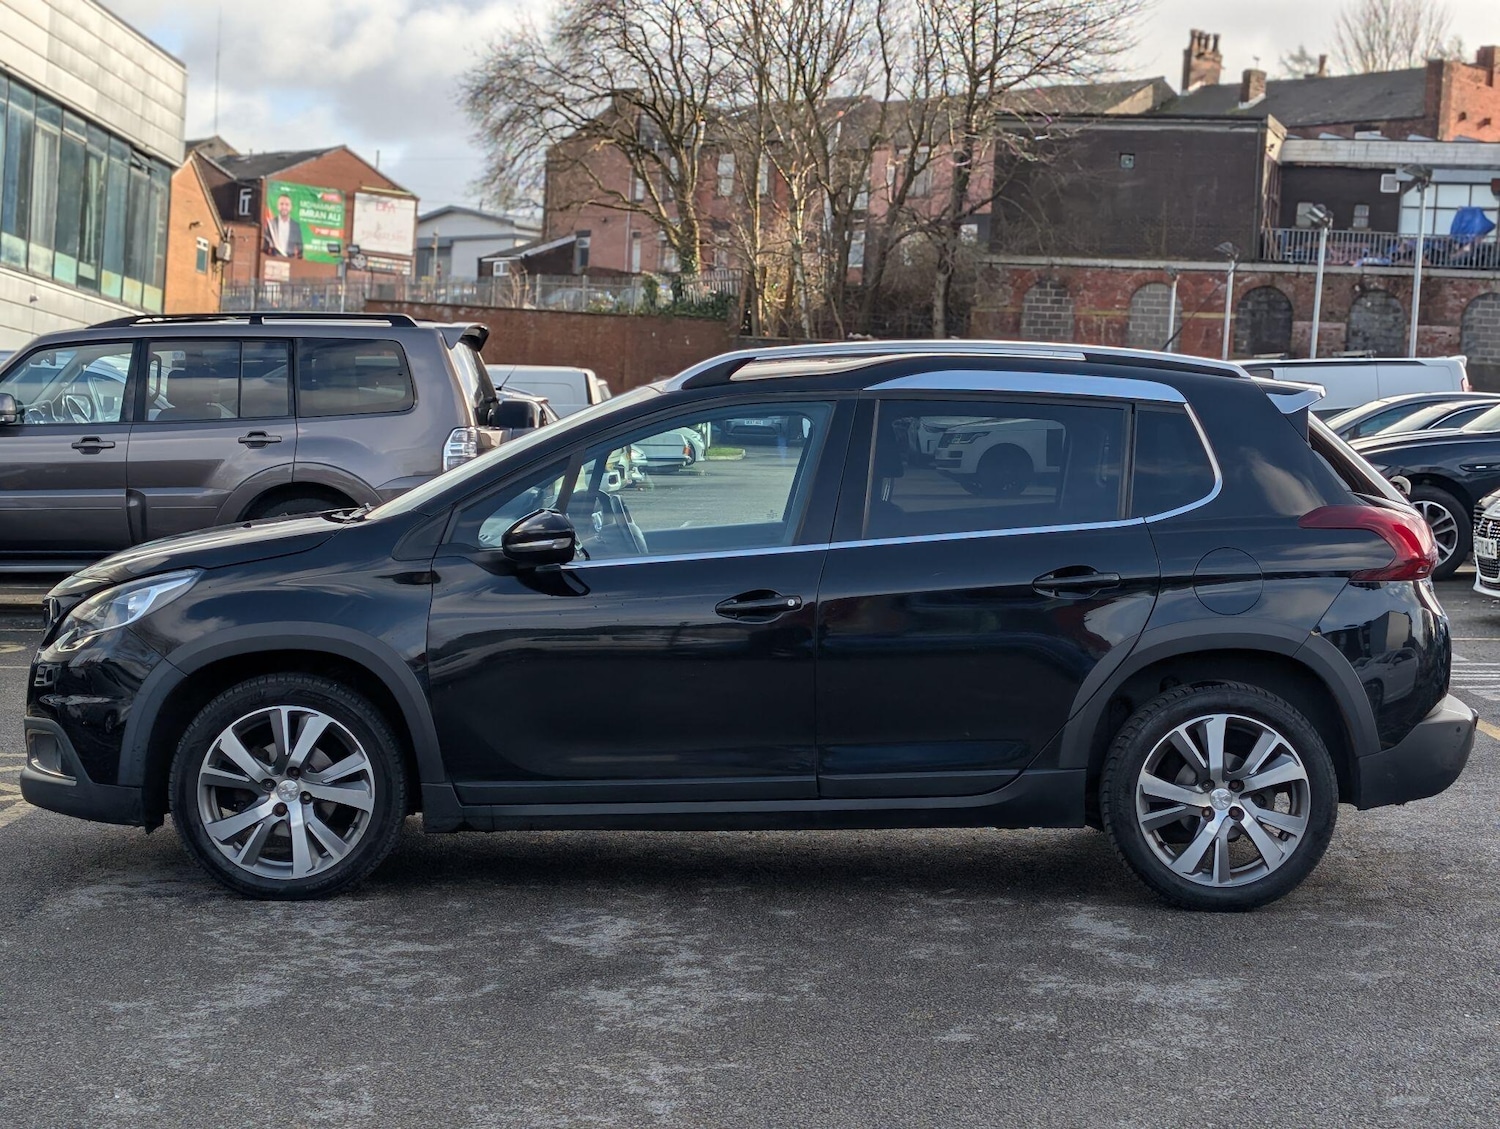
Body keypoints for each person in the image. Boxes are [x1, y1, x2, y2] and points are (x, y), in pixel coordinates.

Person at [263, 192, 303, 258]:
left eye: (287, 205)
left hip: (290, 261)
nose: (284, 207)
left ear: (291, 207)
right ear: (278, 206)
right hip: (274, 260)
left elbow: (300, 249)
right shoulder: (271, 224)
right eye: (281, 204)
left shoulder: (296, 226)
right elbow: (265, 247)